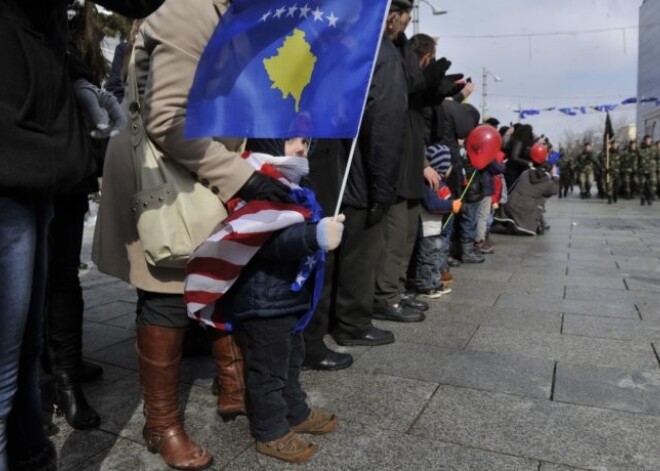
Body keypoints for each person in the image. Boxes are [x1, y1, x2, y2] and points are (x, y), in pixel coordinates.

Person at [92, 0, 294, 468]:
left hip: (200, 166)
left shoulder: (228, 13)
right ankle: (160, 424)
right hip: (163, 174)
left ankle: (232, 385)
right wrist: (239, 178)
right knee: (165, 288)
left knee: (222, 272)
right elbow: (167, 120)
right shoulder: (191, 8)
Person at [0, 0, 162, 469]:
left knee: (27, 348)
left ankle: (35, 452)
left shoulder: (54, 27)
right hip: (14, 156)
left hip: (41, 163)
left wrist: (75, 78)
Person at [212, 138, 343, 463]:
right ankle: (269, 430)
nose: (302, 148)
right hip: (264, 298)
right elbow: (260, 237)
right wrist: (314, 236)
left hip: (288, 295)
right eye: (291, 139)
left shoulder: (293, 180)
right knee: (268, 368)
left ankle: (295, 411)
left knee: (291, 357)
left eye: (305, 140)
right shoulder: (255, 180)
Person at [42, 0, 108, 432]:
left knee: (63, 275)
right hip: (24, 154)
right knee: (29, 281)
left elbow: (88, 71)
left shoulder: (84, 21)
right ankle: (42, 375)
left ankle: (66, 375)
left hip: (65, 161)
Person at [329, 0, 410, 347]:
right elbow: (385, 128)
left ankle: (333, 322)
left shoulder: (340, 44)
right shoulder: (383, 55)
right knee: (361, 254)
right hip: (361, 174)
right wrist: (382, 190)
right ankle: (353, 323)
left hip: (333, 171)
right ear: (391, 17)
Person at [493, 162, 558, 236]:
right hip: (526, 211)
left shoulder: (526, 173)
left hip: (510, 205)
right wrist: (555, 176)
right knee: (539, 201)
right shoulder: (548, 183)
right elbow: (555, 190)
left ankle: (506, 223)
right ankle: (512, 228)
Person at [638, 134, 656, 206]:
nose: (648, 141)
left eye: (649, 139)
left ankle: (650, 198)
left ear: (651, 140)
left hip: (652, 169)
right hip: (642, 170)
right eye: (647, 139)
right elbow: (637, 160)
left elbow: (658, 158)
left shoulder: (654, 148)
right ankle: (643, 198)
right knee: (642, 185)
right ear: (644, 140)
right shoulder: (640, 149)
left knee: (652, 184)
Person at [604, 140, 622, 204]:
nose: (614, 145)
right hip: (609, 172)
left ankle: (615, 195)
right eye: (613, 144)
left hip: (617, 172)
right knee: (609, 186)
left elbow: (622, 162)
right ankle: (609, 197)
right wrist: (606, 150)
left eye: (616, 144)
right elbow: (602, 159)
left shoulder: (619, 153)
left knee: (616, 186)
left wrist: (621, 170)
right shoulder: (607, 153)